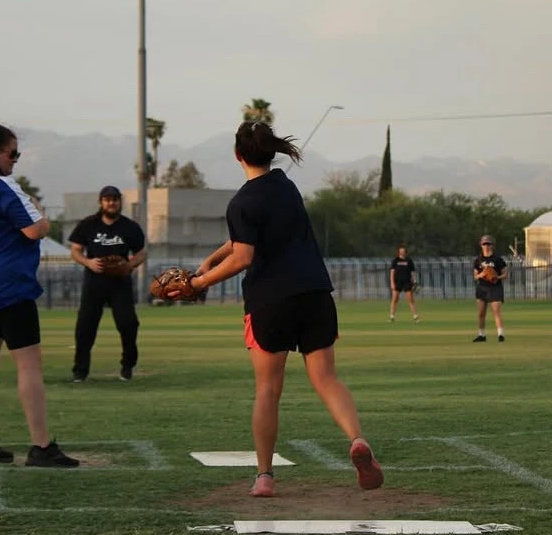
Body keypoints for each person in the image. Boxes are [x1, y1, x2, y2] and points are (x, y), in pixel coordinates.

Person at [185, 121, 383, 498]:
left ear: (237, 155)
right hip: (314, 292)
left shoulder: (241, 202)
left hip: (269, 300)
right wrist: (211, 259)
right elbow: (243, 240)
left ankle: (264, 476)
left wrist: (199, 283)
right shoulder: (287, 187)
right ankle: (357, 439)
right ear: (270, 151)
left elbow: (244, 255)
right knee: (326, 379)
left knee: (268, 389)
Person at [0, 123, 79, 468]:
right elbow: (37, 229)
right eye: (13, 154)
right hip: (10, 285)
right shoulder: (3, 187)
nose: (15, 160)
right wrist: (38, 208)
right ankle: (41, 446)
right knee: (29, 365)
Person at [68, 185, 147, 382]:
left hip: (120, 283)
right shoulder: (88, 224)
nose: (111, 203)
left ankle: (127, 365)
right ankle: (80, 370)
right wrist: (88, 262)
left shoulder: (129, 227)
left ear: (120, 202)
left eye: (115, 199)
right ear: (101, 202)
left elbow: (141, 253)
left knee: (128, 324)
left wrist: (129, 265)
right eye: (107, 199)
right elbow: (75, 250)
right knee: (85, 327)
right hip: (94, 281)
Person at [472, 235, 507, 342]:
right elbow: (475, 276)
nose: (486, 246)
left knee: (496, 312)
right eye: (484, 244)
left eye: (488, 244)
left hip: (495, 288)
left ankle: (500, 334)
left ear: (492, 245)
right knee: (481, 313)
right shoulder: (478, 260)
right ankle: (481, 335)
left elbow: (505, 274)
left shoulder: (498, 259)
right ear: (481, 245)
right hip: (482, 288)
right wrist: (481, 274)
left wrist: (496, 277)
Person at [388, 243, 419, 323]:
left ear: (405, 252)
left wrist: (414, 281)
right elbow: (392, 272)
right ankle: (392, 317)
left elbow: (412, 272)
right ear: (398, 252)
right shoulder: (395, 261)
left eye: (403, 251)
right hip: (397, 282)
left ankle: (415, 316)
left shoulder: (409, 261)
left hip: (407, 282)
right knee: (394, 299)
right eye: (400, 251)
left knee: (410, 299)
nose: (402, 252)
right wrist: (392, 283)